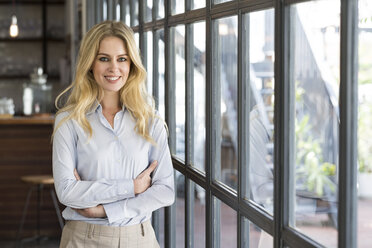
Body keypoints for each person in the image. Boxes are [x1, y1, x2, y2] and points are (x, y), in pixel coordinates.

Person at [52, 20, 175, 248]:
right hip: (83, 239)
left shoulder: (150, 120)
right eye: (103, 58)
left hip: (140, 239)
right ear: (90, 63)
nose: (114, 68)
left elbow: (165, 190)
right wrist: (132, 187)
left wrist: (102, 210)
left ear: (132, 64)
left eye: (122, 59)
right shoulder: (69, 121)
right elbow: (67, 192)